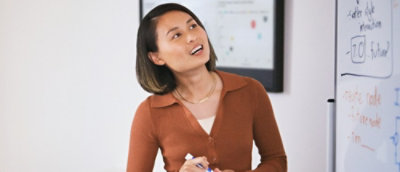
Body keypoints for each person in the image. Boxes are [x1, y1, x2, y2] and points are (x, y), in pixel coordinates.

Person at [127, 3, 287, 172]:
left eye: (193, 26)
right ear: (156, 57)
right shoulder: (150, 113)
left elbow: (277, 161)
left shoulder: (250, 90)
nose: (191, 37)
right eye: (176, 35)